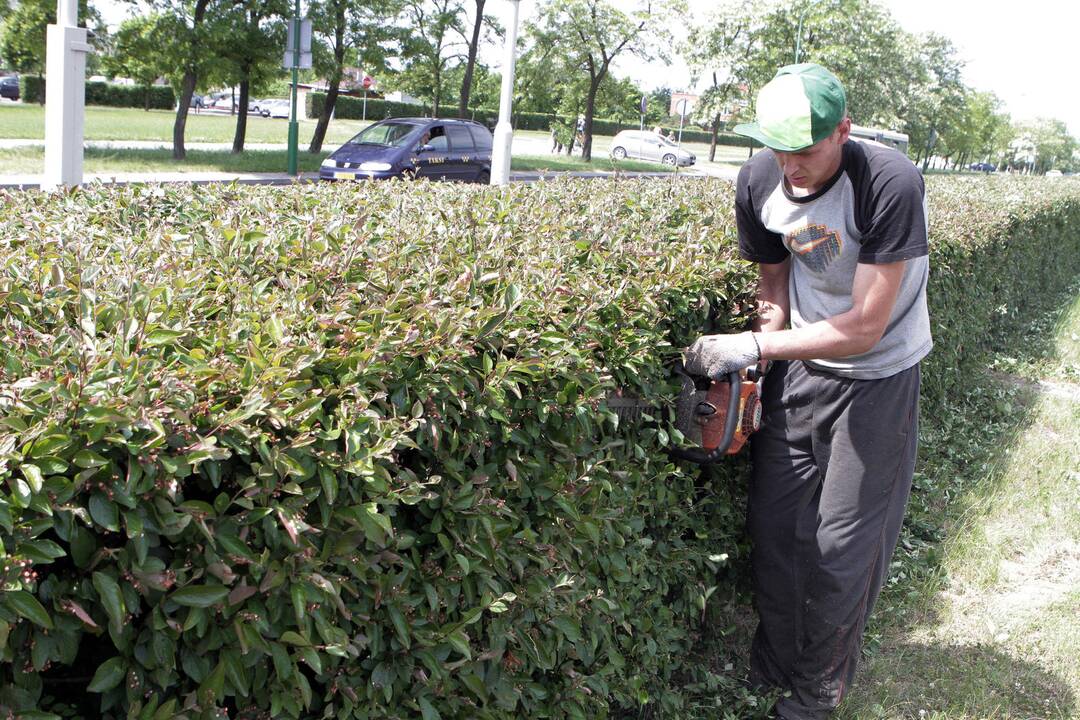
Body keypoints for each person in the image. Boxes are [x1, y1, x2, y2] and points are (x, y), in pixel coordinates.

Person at [683, 63, 931, 720]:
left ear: (843, 131)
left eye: (807, 148)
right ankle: (777, 659)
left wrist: (754, 347)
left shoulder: (887, 182)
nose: (790, 162)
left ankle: (818, 688)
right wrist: (760, 367)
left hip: (878, 378)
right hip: (801, 368)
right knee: (777, 525)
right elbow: (775, 284)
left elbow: (866, 329)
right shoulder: (761, 178)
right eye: (778, 145)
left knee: (840, 541)